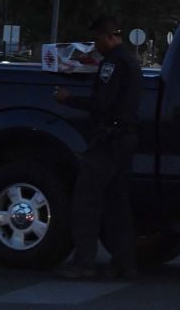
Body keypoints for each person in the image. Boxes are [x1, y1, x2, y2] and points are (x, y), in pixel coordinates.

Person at [53, 15, 144, 279]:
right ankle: (125, 263)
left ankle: (84, 263)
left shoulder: (113, 64)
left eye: (96, 40)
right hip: (126, 139)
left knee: (86, 201)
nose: (95, 46)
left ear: (108, 37)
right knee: (118, 205)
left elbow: (101, 103)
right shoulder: (131, 62)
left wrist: (68, 99)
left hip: (109, 139)